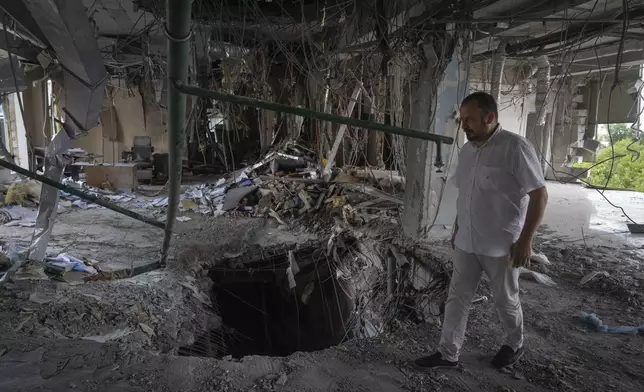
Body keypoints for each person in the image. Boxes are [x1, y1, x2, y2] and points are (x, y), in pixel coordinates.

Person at [413, 91, 548, 370]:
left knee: (505, 299)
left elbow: (539, 195)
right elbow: (467, 194)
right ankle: (448, 354)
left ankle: (514, 343)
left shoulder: (515, 148)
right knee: (457, 298)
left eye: (470, 119)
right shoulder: (466, 151)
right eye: (462, 120)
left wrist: (526, 241)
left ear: (490, 117)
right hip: (466, 241)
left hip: (502, 245)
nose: (465, 125)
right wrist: (458, 227)